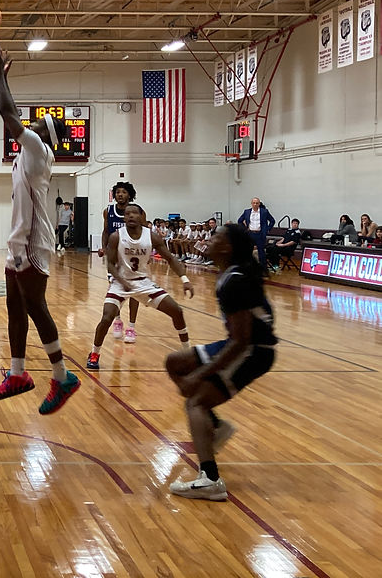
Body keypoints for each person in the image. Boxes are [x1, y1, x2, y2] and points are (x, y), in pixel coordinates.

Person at [0, 42, 80, 414]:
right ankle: (18, 373)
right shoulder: (28, 152)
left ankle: (62, 376)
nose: (30, 121)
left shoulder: (38, 147)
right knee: (15, 308)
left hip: (34, 243)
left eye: (37, 122)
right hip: (18, 242)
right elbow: (13, 115)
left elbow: (8, 113)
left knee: (36, 307)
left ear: (44, 131)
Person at [165, 223, 276, 501]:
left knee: (195, 403)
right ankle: (215, 425)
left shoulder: (235, 281)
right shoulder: (230, 273)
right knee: (175, 363)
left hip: (252, 351)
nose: (210, 240)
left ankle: (210, 479)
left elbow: (241, 341)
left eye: (216, 237)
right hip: (240, 343)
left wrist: (202, 373)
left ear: (227, 248)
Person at [87, 203, 194, 370]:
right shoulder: (116, 236)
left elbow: (171, 258)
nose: (130, 216)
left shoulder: (152, 236)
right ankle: (94, 353)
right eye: (127, 213)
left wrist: (185, 279)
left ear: (141, 216)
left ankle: (188, 353)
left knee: (177, 311)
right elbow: (110, 266)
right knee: (107, 317)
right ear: (124, 218)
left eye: (134, 213)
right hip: (120, 283)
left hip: (143, 282)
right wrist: (123, 282)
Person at [100, 182, 142, 342]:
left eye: (124, 192)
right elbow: (105, 231)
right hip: (115, 257)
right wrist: (104, 247)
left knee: (134, 292)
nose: (120, 194)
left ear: (129, 195)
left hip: (133, 256)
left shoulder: (138, 211)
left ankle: (131, 327)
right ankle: (117, 321)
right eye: (118, 192)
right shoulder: (108, 211)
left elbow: (144, 231)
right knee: (115, 289)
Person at [237, 197, 275, 267]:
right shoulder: (247, 212)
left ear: (259, 204)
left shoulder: (264, 211)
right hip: (250, 233)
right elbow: (239, 220)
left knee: (261, 252)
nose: (255, 204)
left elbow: (272, 221)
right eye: (254, 203)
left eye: (257, 203)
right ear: (251, 204)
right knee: (248, 251)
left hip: (260, 234)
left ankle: (263, 268)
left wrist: (267, 229)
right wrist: (245, 228)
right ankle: (248, 267)